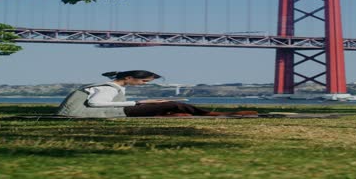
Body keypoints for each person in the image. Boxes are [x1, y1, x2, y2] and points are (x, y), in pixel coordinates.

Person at [56, 70, 257, 118]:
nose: (143, 84)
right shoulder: (107, 87)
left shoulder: (113, 86)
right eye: (143, 81)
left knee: (167, 105)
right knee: (174, 104)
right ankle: (220, 116)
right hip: (96, 114)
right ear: (128, 78)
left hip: (116, 112)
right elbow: (95, 105)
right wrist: (138, 103)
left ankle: (183, 115)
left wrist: (144, 102)